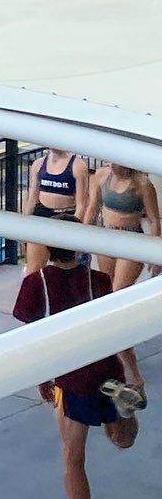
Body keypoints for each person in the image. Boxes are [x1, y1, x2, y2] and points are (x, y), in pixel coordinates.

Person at [14, 243, 142, 499]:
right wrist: (133, 373)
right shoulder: (98, 280)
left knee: (73, 458)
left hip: (71, 376)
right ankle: (123, 408)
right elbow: (116, 331)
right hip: (106, 367)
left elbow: (32, 337)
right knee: (122, 439)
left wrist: (42, 376)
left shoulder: (37, 283)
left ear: (48, 249)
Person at [83, 160, 160, 400]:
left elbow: (155, 220)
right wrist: (80, 237)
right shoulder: (101, 177)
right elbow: (92, 208)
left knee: (116, 299)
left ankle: (133, 373)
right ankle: (118, 351)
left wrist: (155, 254)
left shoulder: (142, 184)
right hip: (107, 236)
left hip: (131, 240)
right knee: (106, 296)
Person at [23, 141, 91, 273]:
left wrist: (74, 228)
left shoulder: (77, 166)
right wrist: (24, 225)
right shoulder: (38, 164)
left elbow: (82, 204)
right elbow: (32, 198)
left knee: (63, 269)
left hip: (65, 217)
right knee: (33, 270)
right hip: (41, 215)